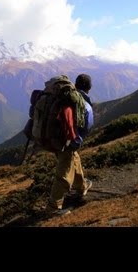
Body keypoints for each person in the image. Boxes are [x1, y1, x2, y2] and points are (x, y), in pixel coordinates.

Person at [47, 74, 94, 215]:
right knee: (64, 172)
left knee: (74, 158)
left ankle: (81, 186)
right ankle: (53, 206)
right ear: (89, 88)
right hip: (66, 142)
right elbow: (87, 127)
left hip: (53, 138)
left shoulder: (62, 99)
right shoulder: (83, 105)